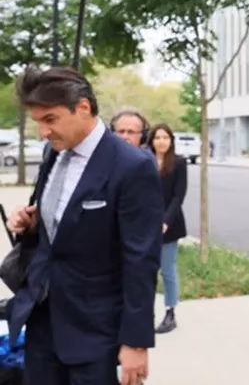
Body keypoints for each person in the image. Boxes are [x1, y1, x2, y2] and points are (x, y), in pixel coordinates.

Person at [5, 66, 163, 385]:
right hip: (41, 323)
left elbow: (141, 260)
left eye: (50, 119)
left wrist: (135, 342)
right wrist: (31, 223)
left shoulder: (132, 167)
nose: (43, 132)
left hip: (96, 335)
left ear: (83, 107)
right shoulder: (53, 153)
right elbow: (58, 228)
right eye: (38, 122)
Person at [148, 123, 188, 334]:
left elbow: (178, 196)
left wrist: (165, 221)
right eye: (157, 137)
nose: (161, 141)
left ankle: (170, 312)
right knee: (146, 271)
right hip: (145, 223)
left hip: (169, 225)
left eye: (165, 137)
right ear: (151, 140)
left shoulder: (179, 163)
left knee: (168, 270)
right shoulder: (144, 161)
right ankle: (146, 312)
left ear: (171, 141)